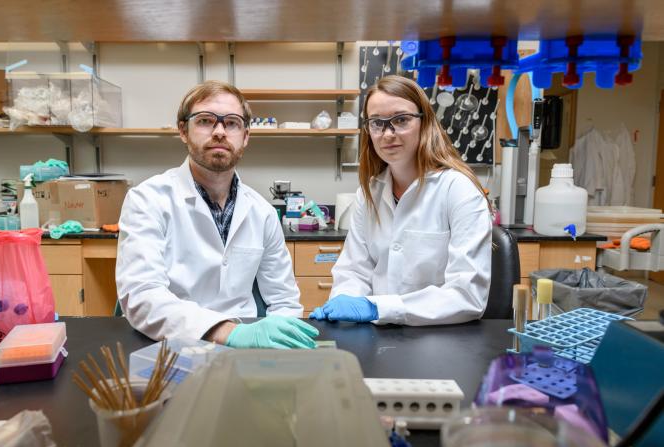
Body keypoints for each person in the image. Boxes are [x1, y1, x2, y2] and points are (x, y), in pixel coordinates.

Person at [117, 80, 318, 349]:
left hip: (248, 351)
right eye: (205, 121)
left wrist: (280, 351)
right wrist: (227, 332)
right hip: (171, 346)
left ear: (245, 136)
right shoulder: (148, 200)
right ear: (183, 131)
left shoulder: (263, 213)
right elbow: (143, 296)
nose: (220, 131)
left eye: (232, 123)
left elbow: (284, 300)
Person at [310, 75, 491, 325]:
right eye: (377, 123)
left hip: (441, 337)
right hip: (379, 337)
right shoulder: (369, 191)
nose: (387, 134)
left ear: (425, 123)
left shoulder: (458, 189)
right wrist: (344, 301)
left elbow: (467, 295)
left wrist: (376, 308)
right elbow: (354, 269)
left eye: (401, 120)